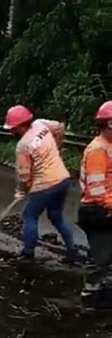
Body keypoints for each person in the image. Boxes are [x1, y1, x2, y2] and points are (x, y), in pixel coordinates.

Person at [3, 105, 76, 261]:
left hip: (45, 185)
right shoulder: (41, 124)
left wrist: (22, 191)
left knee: (29, 215)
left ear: (21, 126)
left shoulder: (23, 145)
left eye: (13, 128)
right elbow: (60, 127)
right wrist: (57, 145)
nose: (11, 132)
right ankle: (72, 250)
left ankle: (28, 253)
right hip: (63, 179)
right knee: (56, 216)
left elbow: (24, 176)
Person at [78, 101, 112, 303]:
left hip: (105, 207)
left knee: (107, 253)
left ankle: (100, 288)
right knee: (101, 255)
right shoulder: (98, 150)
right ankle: (91, 294)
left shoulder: (107, 147)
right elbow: (97, 190)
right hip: (97, 210)